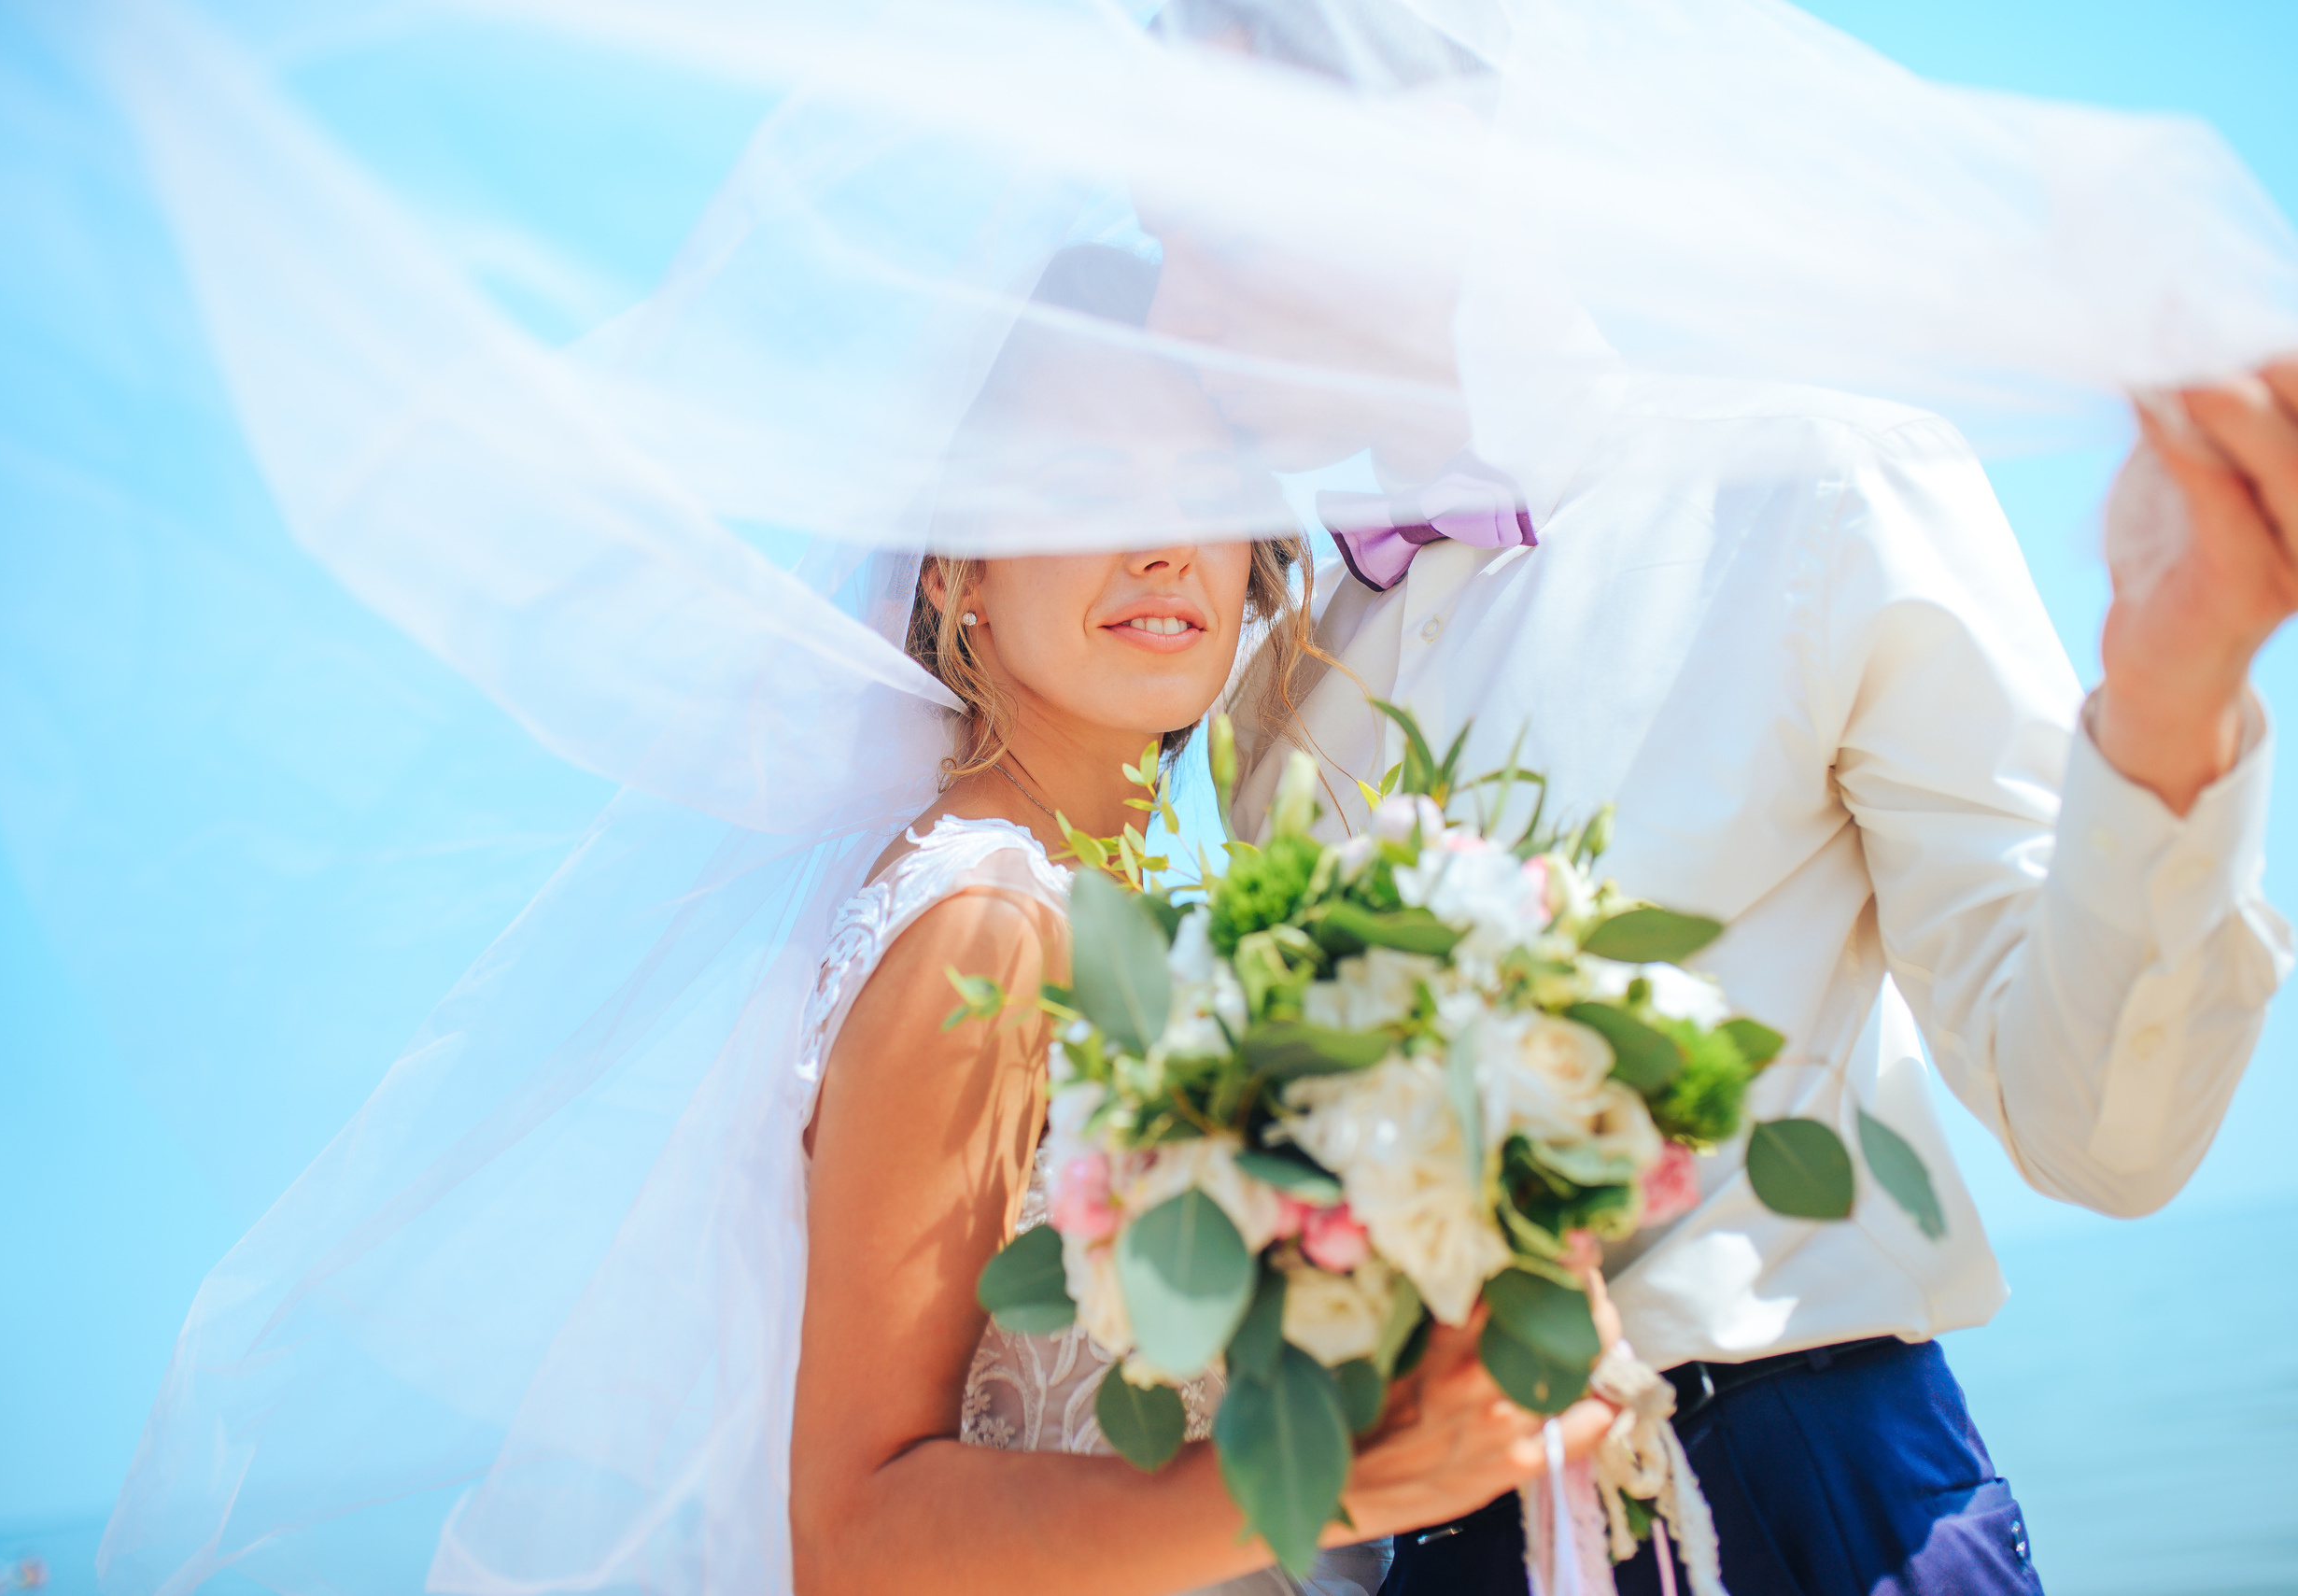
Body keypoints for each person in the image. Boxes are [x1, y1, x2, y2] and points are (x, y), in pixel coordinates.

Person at [1139, 55, 2298, 1596]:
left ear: (1428, 151)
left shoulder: (1821, 496)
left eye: (1210, 226)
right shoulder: (1278, 685)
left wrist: (2169, 702)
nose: (1165, 318)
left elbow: (2102, 1131)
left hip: (1818, 1513)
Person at [785, 248, 1617, 1596]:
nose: (1164, 543)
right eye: (1084, 486)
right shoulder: (981, 927)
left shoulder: (1151, 920)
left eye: (1204, 487)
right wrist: (1375, 1475)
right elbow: (854, 1537)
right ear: (956, 571)